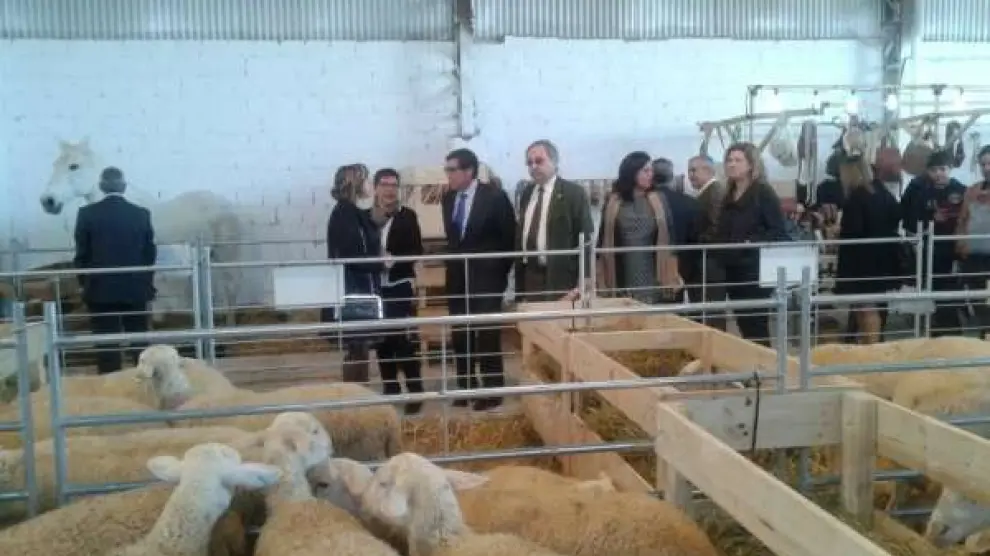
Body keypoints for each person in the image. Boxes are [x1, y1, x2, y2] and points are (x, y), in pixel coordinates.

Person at [442, 148, 516, 411]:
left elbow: (509, 238)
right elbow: (453, 239)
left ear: (469, 171)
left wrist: (498, 274)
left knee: (486, 333)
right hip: (457, 277)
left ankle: (492, 390)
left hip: (486, 277)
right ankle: (466, 386)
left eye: (452, 170)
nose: (448, 175)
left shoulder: (494, 197)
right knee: (460, 332)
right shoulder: (448, 198)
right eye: (447, 170)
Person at [73, 167, 157, 374]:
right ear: (124, 187)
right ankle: (142, 383)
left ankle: (111, 384)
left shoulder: (86, 214)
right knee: (138, 340)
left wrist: (84, 284)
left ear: (101, 187)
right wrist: (145, 281)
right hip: (135, 288)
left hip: (100, 289)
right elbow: (149, 253)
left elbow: (81, 254)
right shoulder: (141, 214)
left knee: (106, 343)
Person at [710, 142, 788, 346]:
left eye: (738, 160)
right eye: (729, 160)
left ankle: (764, 362)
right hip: (732, 268)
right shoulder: (728, 193)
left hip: (755, 269)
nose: (731, 164)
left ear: (751, 165)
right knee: (744, 323)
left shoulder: (763, 192)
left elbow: (778, 231)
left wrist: (750, 242)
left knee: (756, 324)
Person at [368, 168, 426, 414]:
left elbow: (416, 250)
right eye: (384, 184)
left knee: (402, 339)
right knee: (381, 339)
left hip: (399, 283)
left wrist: (394, 260)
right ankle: (390, 387)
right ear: (375, 188)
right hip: (375, 286)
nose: (389, 190)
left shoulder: (407, 216)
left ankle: (415, 390)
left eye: (393, 185)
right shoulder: (366, 216)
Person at [596, 151, 682, 304]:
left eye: (651, 171)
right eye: (645, 171)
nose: (651, 175)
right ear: (632, 172)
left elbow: (670, 236)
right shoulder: (613, 201)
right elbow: (603, 238)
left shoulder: (659, 199)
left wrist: (672, 269)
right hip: (621, 266)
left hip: (653, 266)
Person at [323, 163, 383, 383]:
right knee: (356, 347)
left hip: (355, 286)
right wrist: (381, 264)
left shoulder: (348, 212)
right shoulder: (345, 213)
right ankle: (355, 393)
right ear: (354, 183)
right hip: (353, 288)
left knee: (360, 347)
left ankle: (358, 392)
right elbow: (353, 254)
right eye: (365, 179)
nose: (369, 184)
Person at [515, 139, 594, 303]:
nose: (533, 166)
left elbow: (586, 236)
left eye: (539, 161)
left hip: (562, 279)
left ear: (554, 162)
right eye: (529, 163)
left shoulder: (574, 193)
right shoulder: (526, 193)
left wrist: (584, 279)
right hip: (530, 277)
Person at [834, 156, 902, 344]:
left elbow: (853, 229)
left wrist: (838, 231)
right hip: (884, 256)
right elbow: (897, 215)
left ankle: (872, 348)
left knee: (865, 307)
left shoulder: (856, 197)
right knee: (871, 305)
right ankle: (870, 345)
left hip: (862, 260)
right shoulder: (882, 191)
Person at [901, 150, 967, 336]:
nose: (939, 174)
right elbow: (909, 220)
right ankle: (935, 331)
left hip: (954, 251)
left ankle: (952, 332)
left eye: (943, 169)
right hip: (928, 252)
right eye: (934, 170)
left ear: (950, 169)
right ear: (928, 171)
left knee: (952, 294)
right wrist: (929, 219)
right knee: (932, 293)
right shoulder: (920, 192)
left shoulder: (962, 190)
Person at [687, 154, 728, 328]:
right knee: (706, 312)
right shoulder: (708, 192)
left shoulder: (715, 192)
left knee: (711, 313)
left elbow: (717, 227)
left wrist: (694, 242)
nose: (690, 175)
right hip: (706, 261)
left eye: (693, 170)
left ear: (708, 169)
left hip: (711, 262)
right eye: (689, 171)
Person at [653, 158, 700, 303]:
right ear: (672, 177)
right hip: (683, 265)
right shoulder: (690, 203)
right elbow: (696, 237)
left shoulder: (644, 203)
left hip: (650, 265)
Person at [955, 145, 990, 337]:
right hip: (974, 257)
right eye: (983, 164)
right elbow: (962, 220)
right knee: (977, 300)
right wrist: (960, 243)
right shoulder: (972, 191)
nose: (986, 168)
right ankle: (985, 335)